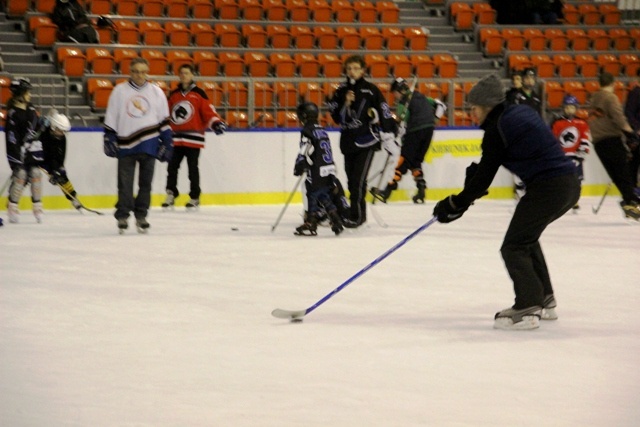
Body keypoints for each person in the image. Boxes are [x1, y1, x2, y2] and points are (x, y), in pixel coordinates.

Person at [432, 73, 581, 330]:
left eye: (474, 108)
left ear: (486, 105)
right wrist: (471, 187)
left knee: (513, 246)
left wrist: (456, 203)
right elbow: (490, 166)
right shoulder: (517, 114)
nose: (472, 114)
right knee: (526, 238)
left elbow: (485, 175)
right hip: (567, 185)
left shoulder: (498, 127)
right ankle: (545, 299)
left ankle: (527, 306)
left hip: (549, 187)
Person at [103, 57, 173, 234]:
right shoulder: (119, 91)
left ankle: (141, 216)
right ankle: (123, 215)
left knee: (145, 185)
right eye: (136, 71)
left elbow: (163, 120)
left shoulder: (157, 92)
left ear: (147, 72)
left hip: (150, 145)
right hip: (125, 145)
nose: (139, 75)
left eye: (143, 71)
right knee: (124, 184)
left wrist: (167, 141)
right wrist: (109, 137)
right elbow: (112, 116)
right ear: (130, 71)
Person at [327, 55, 397, 228]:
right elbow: (336, 116)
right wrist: (345, 102)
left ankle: (358, 216)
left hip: (366, 140)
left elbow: (384, 111)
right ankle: (355, 213)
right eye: (349, 68)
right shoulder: (341, 90)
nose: (352, 71)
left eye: (356, 68)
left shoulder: (371, 90)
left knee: (358, 180)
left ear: (363, 70)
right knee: (351, 180)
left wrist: (390, 130)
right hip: (348, 141)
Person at [371, 77, 445, 204]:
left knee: (403, 161)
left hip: (415, 130)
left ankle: (387, 191)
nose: (394, 96)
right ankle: (421, 191)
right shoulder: (422, 96)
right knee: (416, 161)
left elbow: (402, 124)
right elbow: (441, 105)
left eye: (394, 93)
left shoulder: (402, 104)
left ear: (398, 91)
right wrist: (435, 119)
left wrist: (396, 131)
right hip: (429, 130)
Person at [163, 64, 226, 211]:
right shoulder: (174, 94)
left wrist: (216, 123)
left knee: (193, 168)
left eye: (187, 73)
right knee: (172, 167)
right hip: (176, 138)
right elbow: (166, 114)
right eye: (182, 73)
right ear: (179, 75)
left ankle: (194, 197)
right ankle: (171, 193)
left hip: (193, 138)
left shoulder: (199, 93)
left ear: (192, 75)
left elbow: (208, 112)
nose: (184, 75)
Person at [589, 72, 640, 221]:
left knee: (616, 175)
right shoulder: (611, 98)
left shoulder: (594, 98)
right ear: (613, 83)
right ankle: (630, 201)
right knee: (623, 173)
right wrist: (630, 133)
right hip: (611, 140)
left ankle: (629, 202)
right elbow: (618, 117)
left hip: (598, 143)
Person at [293, 102, 345, 236]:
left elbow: (305, 148)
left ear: (304, 116)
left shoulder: (307, 131)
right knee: (324, 195)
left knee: (312, 194)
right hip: (329, 169)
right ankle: (335, 219)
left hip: (317, 170)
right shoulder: (322, 130)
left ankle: (311, 222)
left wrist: (300, 163)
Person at [4, 78, 44, 224]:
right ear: (19, 94)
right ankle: (12, 206)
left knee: (35, 173)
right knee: (20, 174)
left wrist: (41, 127)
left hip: (31, 151)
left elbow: (37, 127)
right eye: (27, 92)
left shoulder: (31, 109)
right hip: (18, 152)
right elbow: (11, 137)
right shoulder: (13, 114)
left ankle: (37, 207)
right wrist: (17, 153)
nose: (30, 95)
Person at [550, 95, 592, 212]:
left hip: (576, 156)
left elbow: (584, 138)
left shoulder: (581, 123)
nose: (570, 110)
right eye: (567, 107)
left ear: (576, 108)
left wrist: (582, 152)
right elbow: (554, 139)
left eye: (572, 107)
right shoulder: (557, 123)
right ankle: (561, 200)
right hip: (562, 157)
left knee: (577, 179)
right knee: (561, 179)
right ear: (563, 108)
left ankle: (575, 200)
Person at [37, 109, 84, 210]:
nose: (62, 133)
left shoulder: (62, 139)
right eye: (60, 130)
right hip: (36, 157)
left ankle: (73, 198)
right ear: (53, 127)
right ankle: (13, 200)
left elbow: (60, 158)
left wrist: (56, 172)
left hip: (50, 160)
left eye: (64, 131)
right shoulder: (42, 131)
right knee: (25, 175)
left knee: (62, 175)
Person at [623, 70, 640, 191]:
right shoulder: (635, 93)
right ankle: (632, 191)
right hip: (637, 136)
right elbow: (629, 114)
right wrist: (637, 129)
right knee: (634, 164)